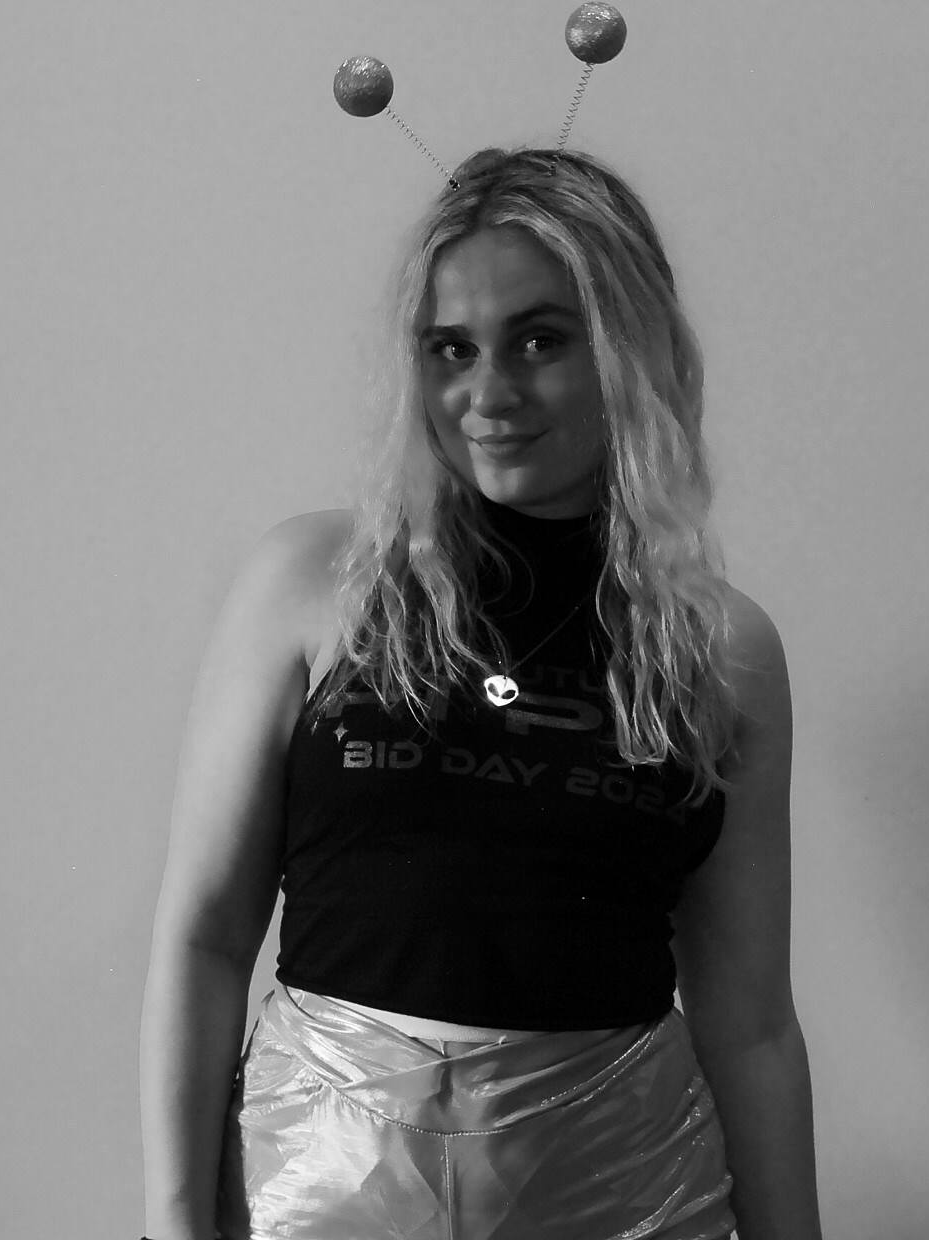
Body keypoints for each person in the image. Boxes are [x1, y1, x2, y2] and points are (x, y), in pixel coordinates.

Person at [140, 147, 821, 1240]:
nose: (489, 394)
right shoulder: (313, 582)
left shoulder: (718, 648)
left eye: (539, 341)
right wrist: (172, 1225)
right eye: (450, 349)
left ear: (627, 346)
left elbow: (749, 1025)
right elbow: (205, 938)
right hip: (319, 1195)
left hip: (625, 1199)